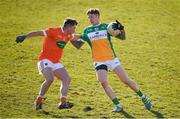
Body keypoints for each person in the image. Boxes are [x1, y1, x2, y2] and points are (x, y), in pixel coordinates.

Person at [74, 8, 152, 112]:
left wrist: (122, 29)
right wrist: (69, 38)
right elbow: (78, 45)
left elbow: (122, 38)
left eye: (92, 17)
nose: (90, 19)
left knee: (126, 80)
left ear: (97, 16)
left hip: (111, 58)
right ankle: (118, 105)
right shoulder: (87, 30)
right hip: (99, 60)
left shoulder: (107, 27)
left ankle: (143, 97)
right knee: (103, 82)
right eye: (89, 17)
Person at [16, 17, 80, 110]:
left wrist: (89, 36)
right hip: (45, 60)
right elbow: (38, 32)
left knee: (66, 78)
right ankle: (39, 99)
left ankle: (63, 102)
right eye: (74, 27)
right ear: (68, 26)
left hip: (56, 62)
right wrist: (25, 36)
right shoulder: (53, 31)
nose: (74, 30)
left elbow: (78, 37)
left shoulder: (69, 35)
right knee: (50, 79)